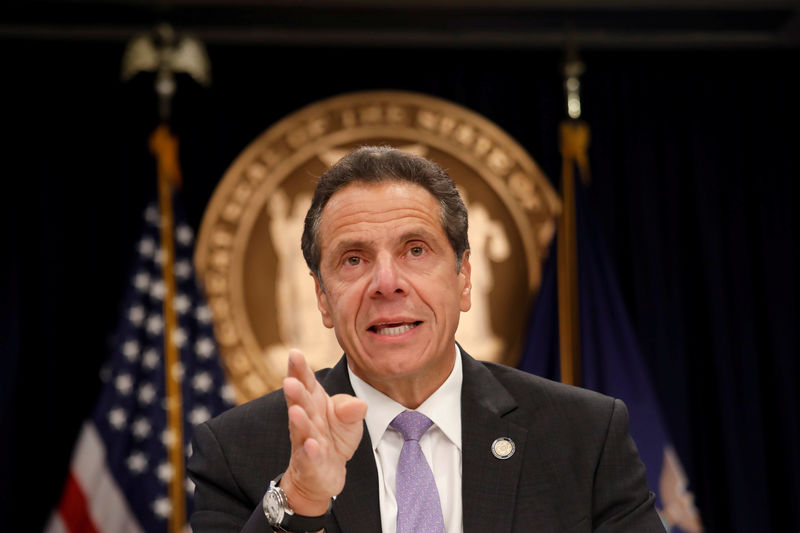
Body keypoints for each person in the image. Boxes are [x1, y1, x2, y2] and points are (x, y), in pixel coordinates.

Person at [187, 145, 666, 532]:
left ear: (463, 279)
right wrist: (302, 498)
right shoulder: (237, 451)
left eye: (416, 250)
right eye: (353, 259)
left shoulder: (584, 435)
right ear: (322, 299)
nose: (387, 282)